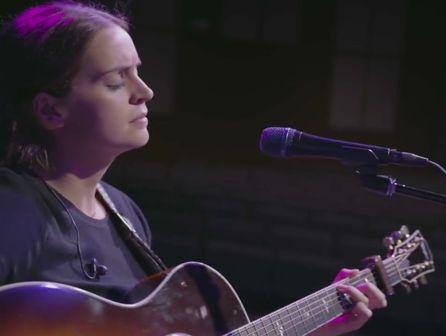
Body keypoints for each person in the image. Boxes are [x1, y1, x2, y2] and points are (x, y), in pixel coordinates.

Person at [0, 1, 386, 335]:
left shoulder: (125, 214)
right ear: (51, 110)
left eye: (138, 71)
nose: (145, 91)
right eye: (117, 80)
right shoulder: (13, 208)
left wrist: (317, 326)